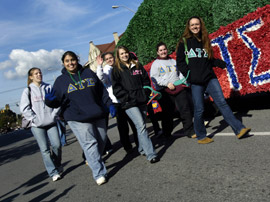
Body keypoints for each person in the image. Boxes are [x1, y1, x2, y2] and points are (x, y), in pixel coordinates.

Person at [176, 16, 251, 144]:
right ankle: (201, 136)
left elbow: (209, 59)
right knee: (199, 109)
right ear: (188, 27)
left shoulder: (205, 40)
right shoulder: (184, 42)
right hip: (196, 82)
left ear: (201, 25)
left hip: (210, 78)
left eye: (197, 24)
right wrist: (189, 75)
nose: (195, 27)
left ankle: (239, 129)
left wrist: (220, 63)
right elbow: (180, 62)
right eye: (192, 25)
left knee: (222, 103)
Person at [45, 51, 116, 185]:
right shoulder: (60, 81)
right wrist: (49, 101)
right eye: (67, 61)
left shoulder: (88, 73)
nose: (70, 63)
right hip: (76, 117)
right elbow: (57, 101)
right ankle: (99, 173)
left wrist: (109, 104)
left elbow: (101, 91)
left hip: (97, 113)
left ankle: (92, 159)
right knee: (90, 144)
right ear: (63, 63)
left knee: (101, 141)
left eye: (72, 60)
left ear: (76, 60)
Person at [111, 46, 159, 163]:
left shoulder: (137, 65)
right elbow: (116, 89)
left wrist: (145, 92)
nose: (124, 55)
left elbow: (146, 80)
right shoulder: (116, 70)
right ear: (118, 56)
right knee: (142, 126)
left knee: (139, 127)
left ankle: (141, 149)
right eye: (121, 54)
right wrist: (127, 97)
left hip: (141, 100)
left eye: (126, 53)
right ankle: (151, 154)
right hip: (128, 103)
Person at [20, 67, 62, 182]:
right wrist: (34, 119)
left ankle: (57, 164)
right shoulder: (27, 91)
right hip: (37, 126)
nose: (39, 75)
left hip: (51, 121)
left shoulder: (48, 87)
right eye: (36, 73)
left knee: (57, 145)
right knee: (45, 150)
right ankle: (53, 172)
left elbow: (58, 103)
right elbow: (24, 108)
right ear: (31, 77)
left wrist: (54, 114)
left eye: (40, 73)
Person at [150, 42, 195, 138]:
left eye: (164, 49)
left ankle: (189, 131)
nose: (163, 51)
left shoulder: (173, 61)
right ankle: (167, 133)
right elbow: (154, 77)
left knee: (185, 109)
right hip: (165, 91)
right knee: (167, 114)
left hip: (178, 88)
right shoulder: (155, 64)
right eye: (161, 50)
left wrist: (183, 81)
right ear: (157, 52)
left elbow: (179, 73)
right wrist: (166, 83)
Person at [96, 52, 138, 153]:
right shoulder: (106, 69)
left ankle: (139, 142)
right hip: (117, 102)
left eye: (111, 58)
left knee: (133, 122)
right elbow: (101, 78)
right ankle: (127, 146)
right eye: (107, 59)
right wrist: (99, 66)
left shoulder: (119, 66)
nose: (110, 60)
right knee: (122, 126)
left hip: (126, 99)